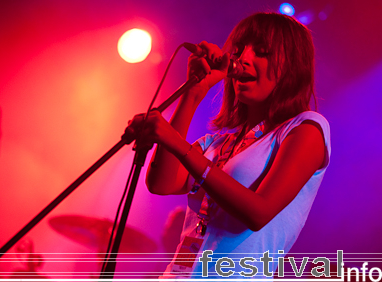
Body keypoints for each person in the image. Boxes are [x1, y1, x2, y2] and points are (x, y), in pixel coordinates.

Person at [127, 12, 331, 279]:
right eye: (238, 51)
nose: (242, 59)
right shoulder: (218, 142)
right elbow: (161, 184)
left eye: (261, 52)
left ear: (291, 66)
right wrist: (193, 93)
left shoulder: (307, 127)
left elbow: (259, 213)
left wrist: (178, 144)